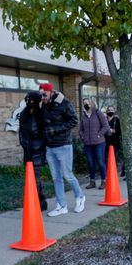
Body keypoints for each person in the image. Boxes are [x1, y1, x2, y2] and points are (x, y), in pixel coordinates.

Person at [39, 82, 86, 216]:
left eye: (44, 94)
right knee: (56, 178)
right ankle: (61, 205)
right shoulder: (43, 105)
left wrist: (55, 130)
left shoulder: (64, 103)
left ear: (51, 91)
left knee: (67, 175)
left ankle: (80, 197)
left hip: (64, 145)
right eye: (40, 95)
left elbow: (74, 121)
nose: (42, 97)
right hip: (50, 147)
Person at [19, 91, 48, 211]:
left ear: (36, 101)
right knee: (31, 177)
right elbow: (21, 132)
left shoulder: (41, 114)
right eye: (26, 100)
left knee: (35, 178)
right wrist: (24, 144)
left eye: (30, 100)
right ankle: (41, 200)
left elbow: (44, 133)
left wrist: (40, 147)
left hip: (38, 150)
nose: (28, 102)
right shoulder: (23, 113)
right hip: (28, 151)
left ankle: (35, 202)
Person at [79, 97, 109, 189]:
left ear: (91, 104)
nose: (86, 105)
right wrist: (82, 136)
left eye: (87, 103)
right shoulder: (83, 116)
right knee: (90, 163)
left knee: (100, 162)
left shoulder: (98, 113)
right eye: (84, 103)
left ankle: (104, 181)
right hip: (87, 144)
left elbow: (105, 126)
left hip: (99, 143)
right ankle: (92, 182)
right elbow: (81, 129)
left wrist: (99, 135)